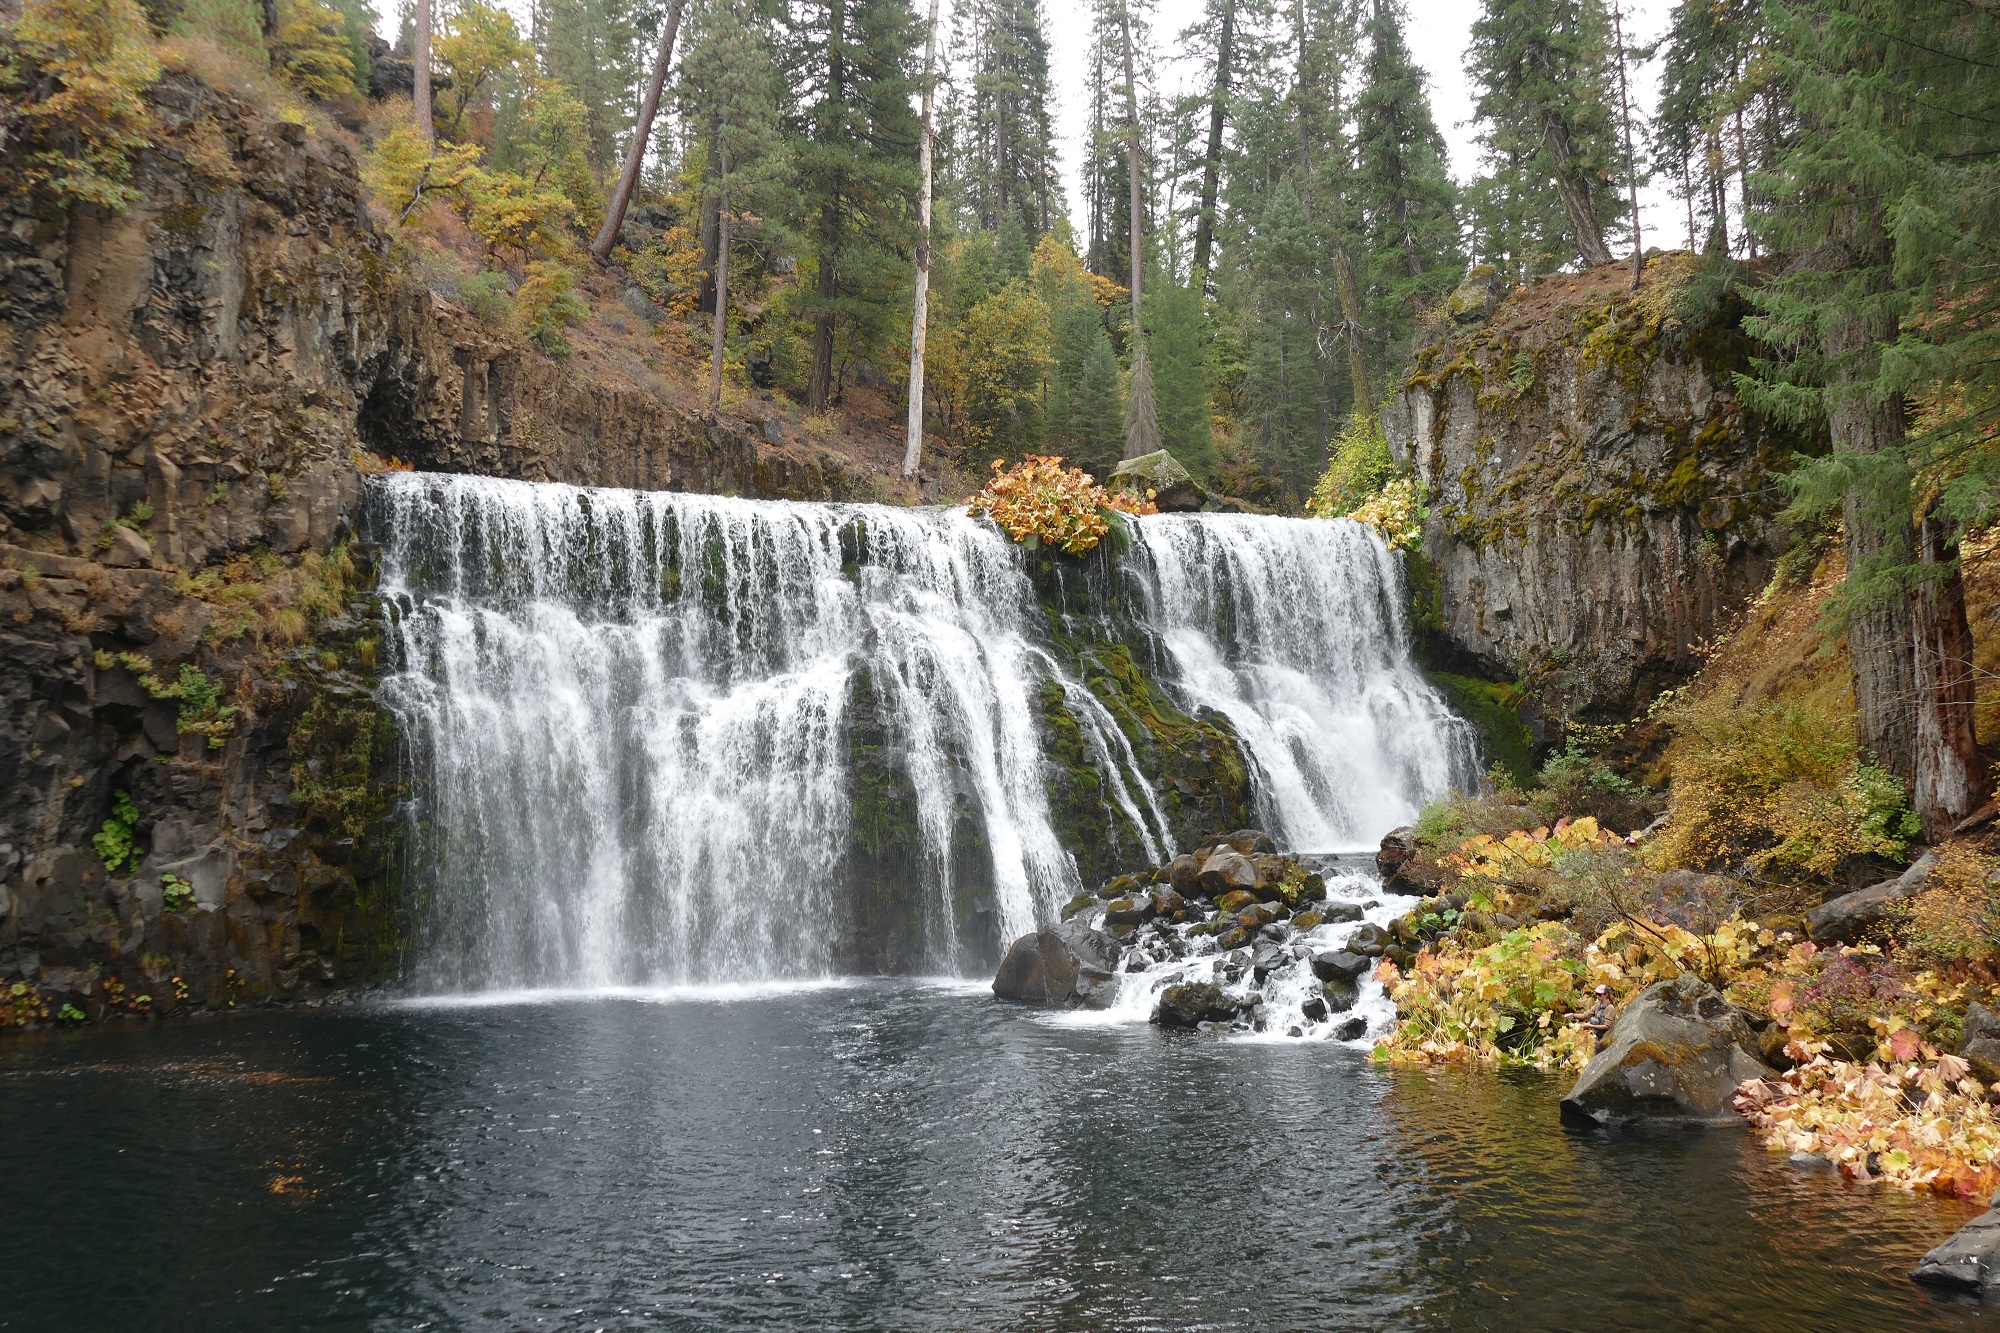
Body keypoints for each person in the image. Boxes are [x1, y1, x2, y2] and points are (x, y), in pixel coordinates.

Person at [1585, 984, 1616, 1049]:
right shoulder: (1598, 1005)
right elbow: (1585, 1015)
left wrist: (1591, 1026)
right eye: (1596, 994)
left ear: (1606, 994)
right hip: (1598, 1037)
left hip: (1606, 1038)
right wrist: (1573, 1015)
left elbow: (1607, 1026)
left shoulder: (1610, 1008)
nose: (1597, 996)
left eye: (1599, 994)